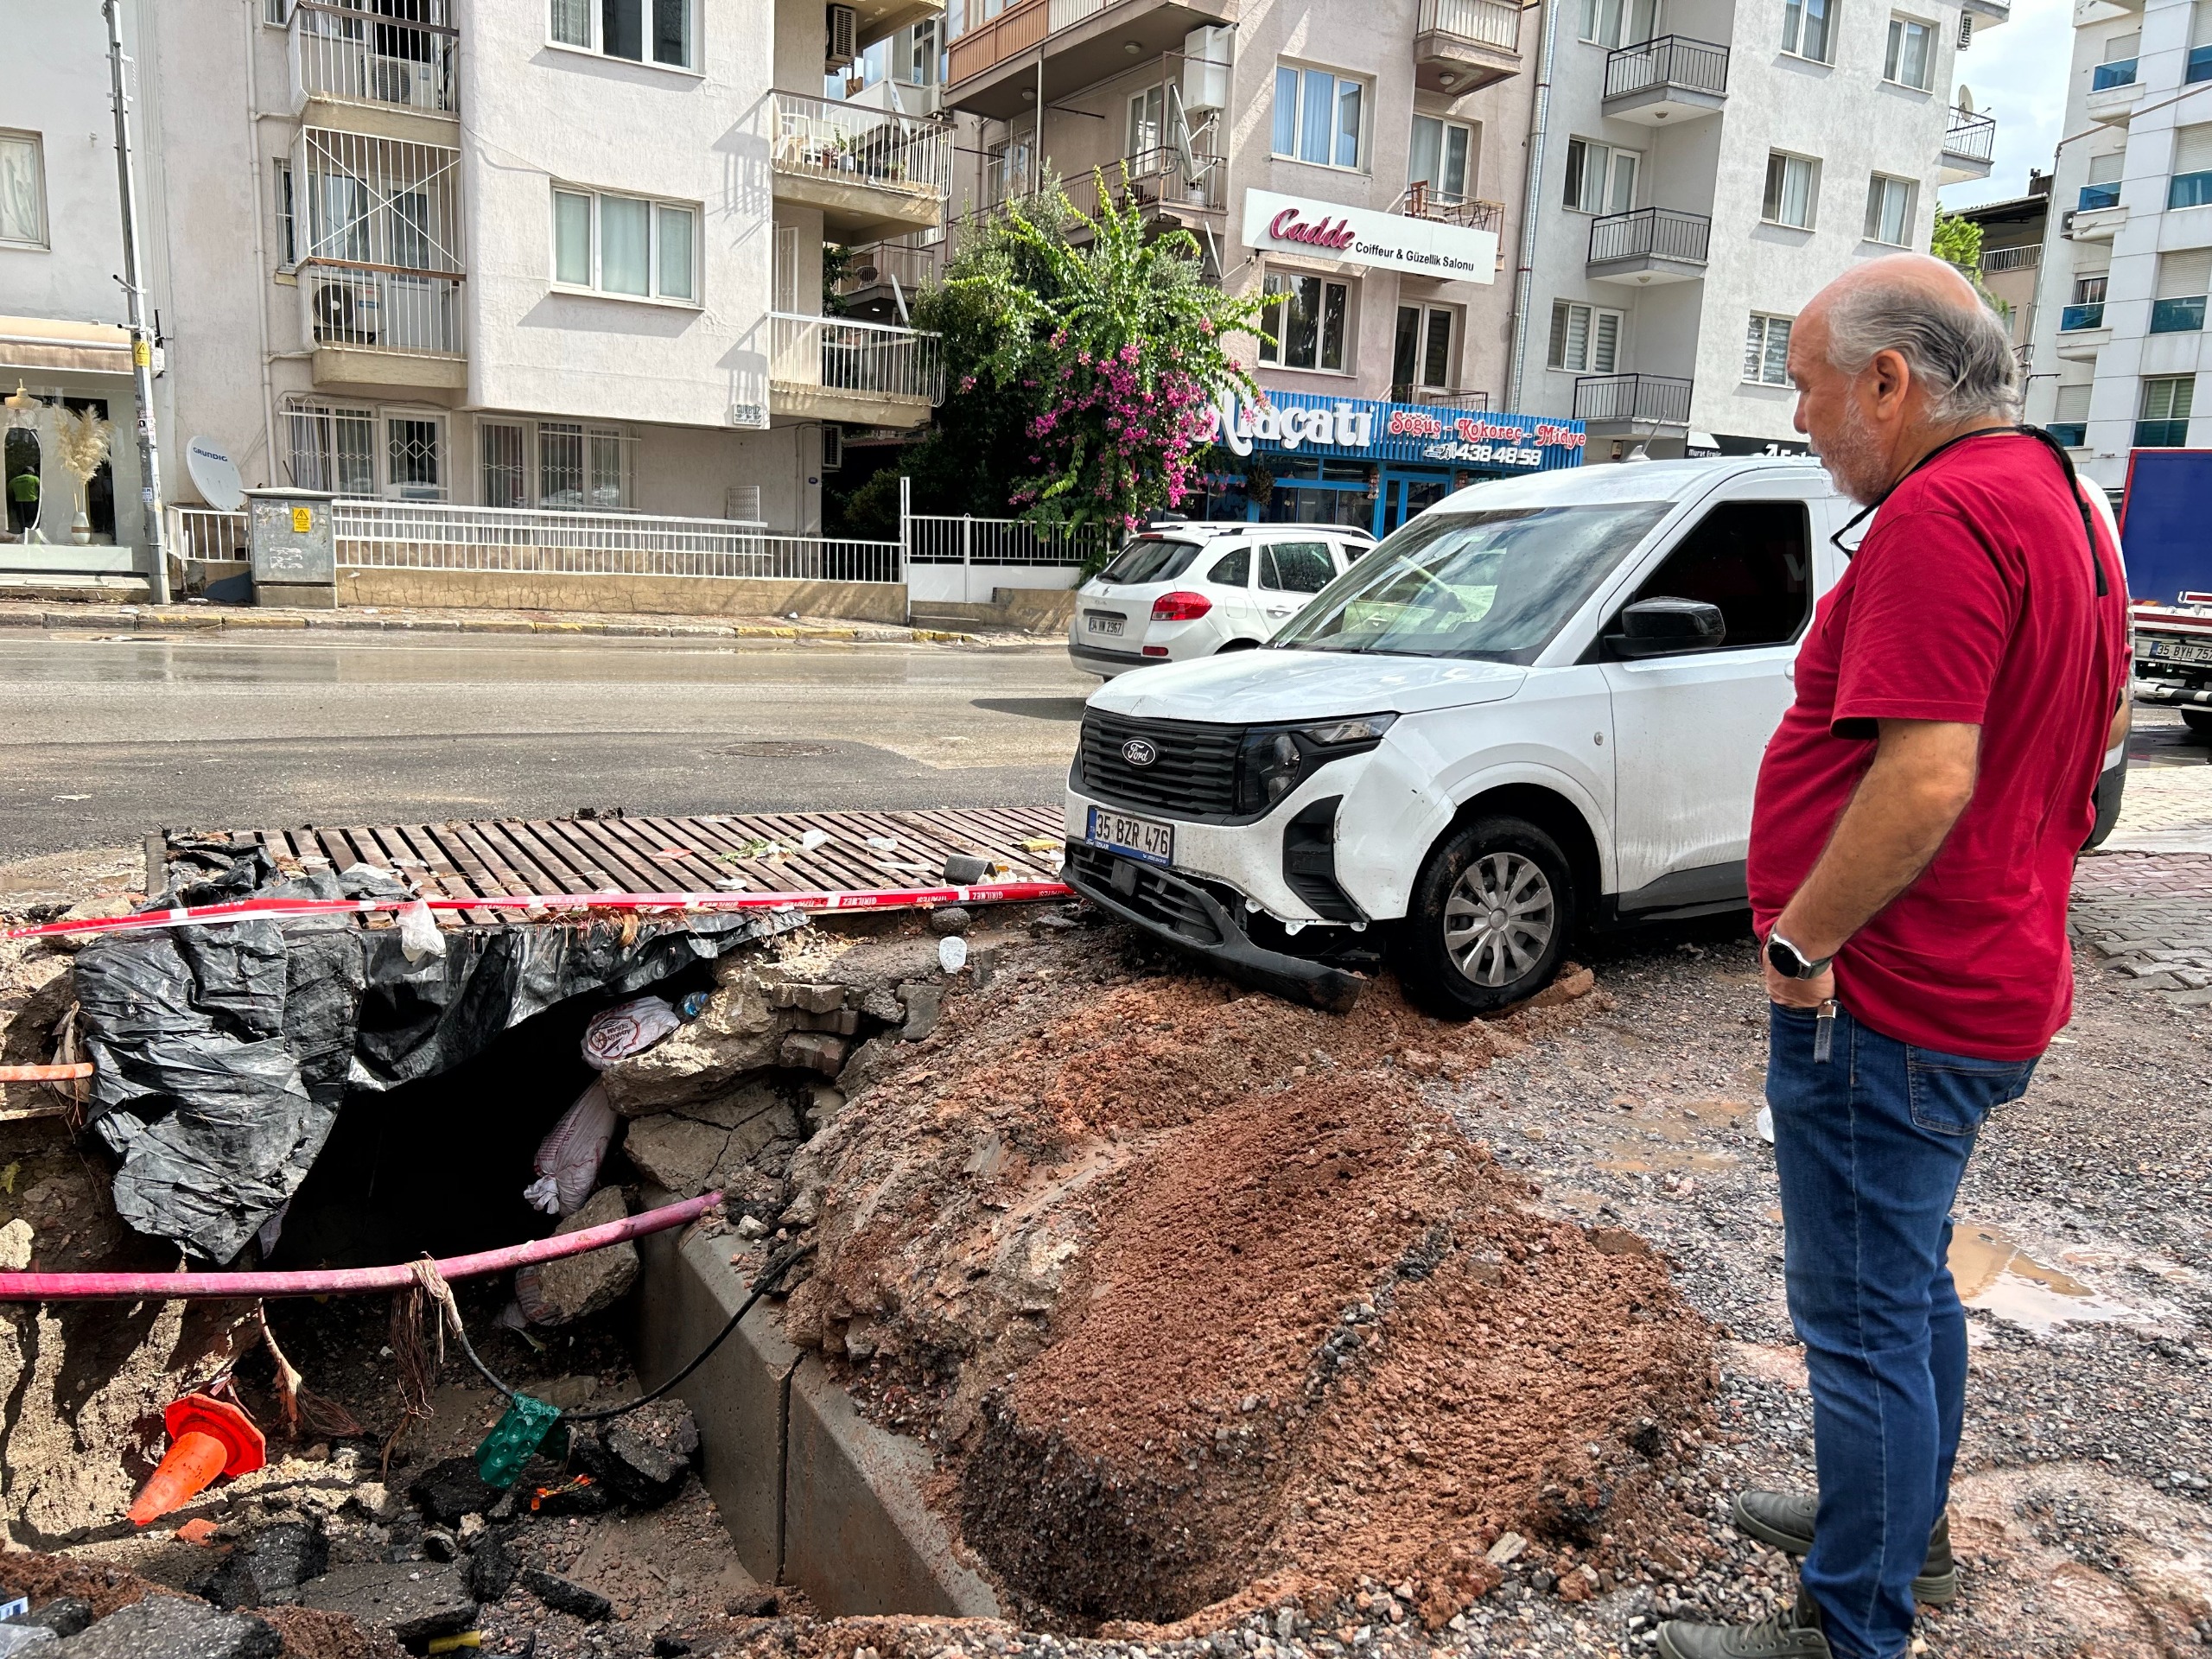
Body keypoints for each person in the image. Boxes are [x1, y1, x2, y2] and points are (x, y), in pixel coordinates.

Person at [1656, 254, 2131, 1659]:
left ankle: (1854, 1624)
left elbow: (1925, 779)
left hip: (1895, 1003)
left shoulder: (1943, 518)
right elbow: (2100, 754)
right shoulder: (2060, 499)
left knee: (1859, 1319)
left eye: (1807, 386)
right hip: (1988, 978)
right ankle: (1898, 1530)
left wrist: (1804, 941)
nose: (1798, 419)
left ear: (1889, 381)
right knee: (1906, 1279)